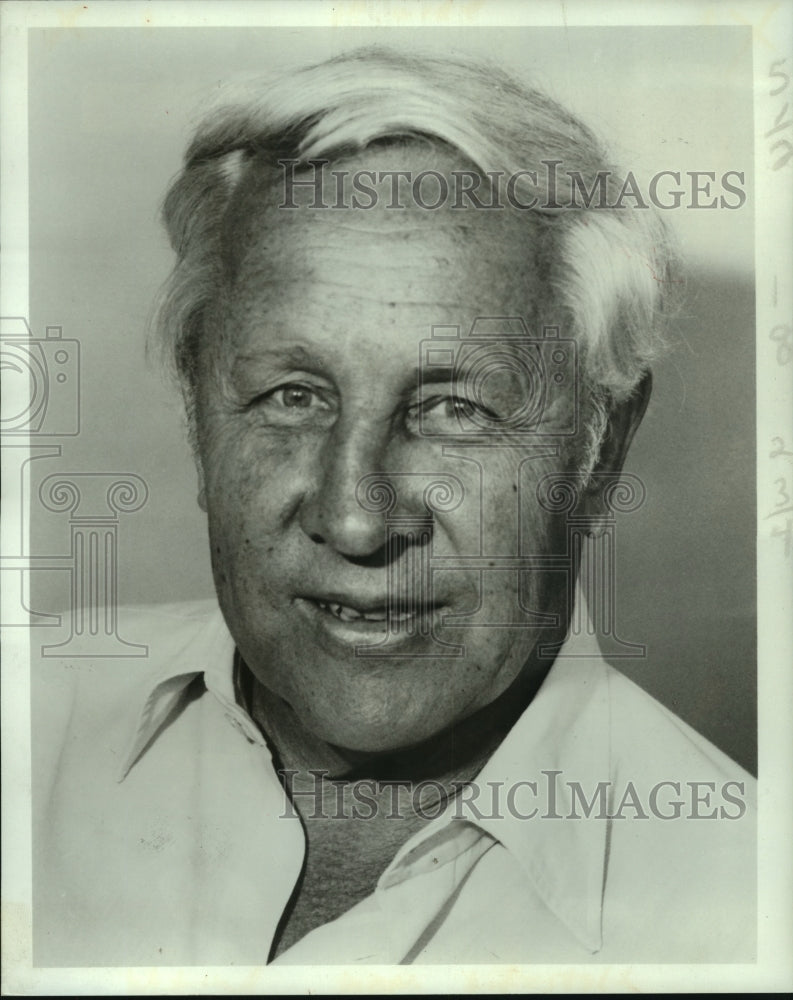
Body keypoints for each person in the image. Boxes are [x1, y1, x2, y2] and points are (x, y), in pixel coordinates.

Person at [32, 47, 755, 966]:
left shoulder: (741, 898)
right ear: (195, 407)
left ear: (600, 447)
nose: (358, 521)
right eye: (294, 396)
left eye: (455, 409)